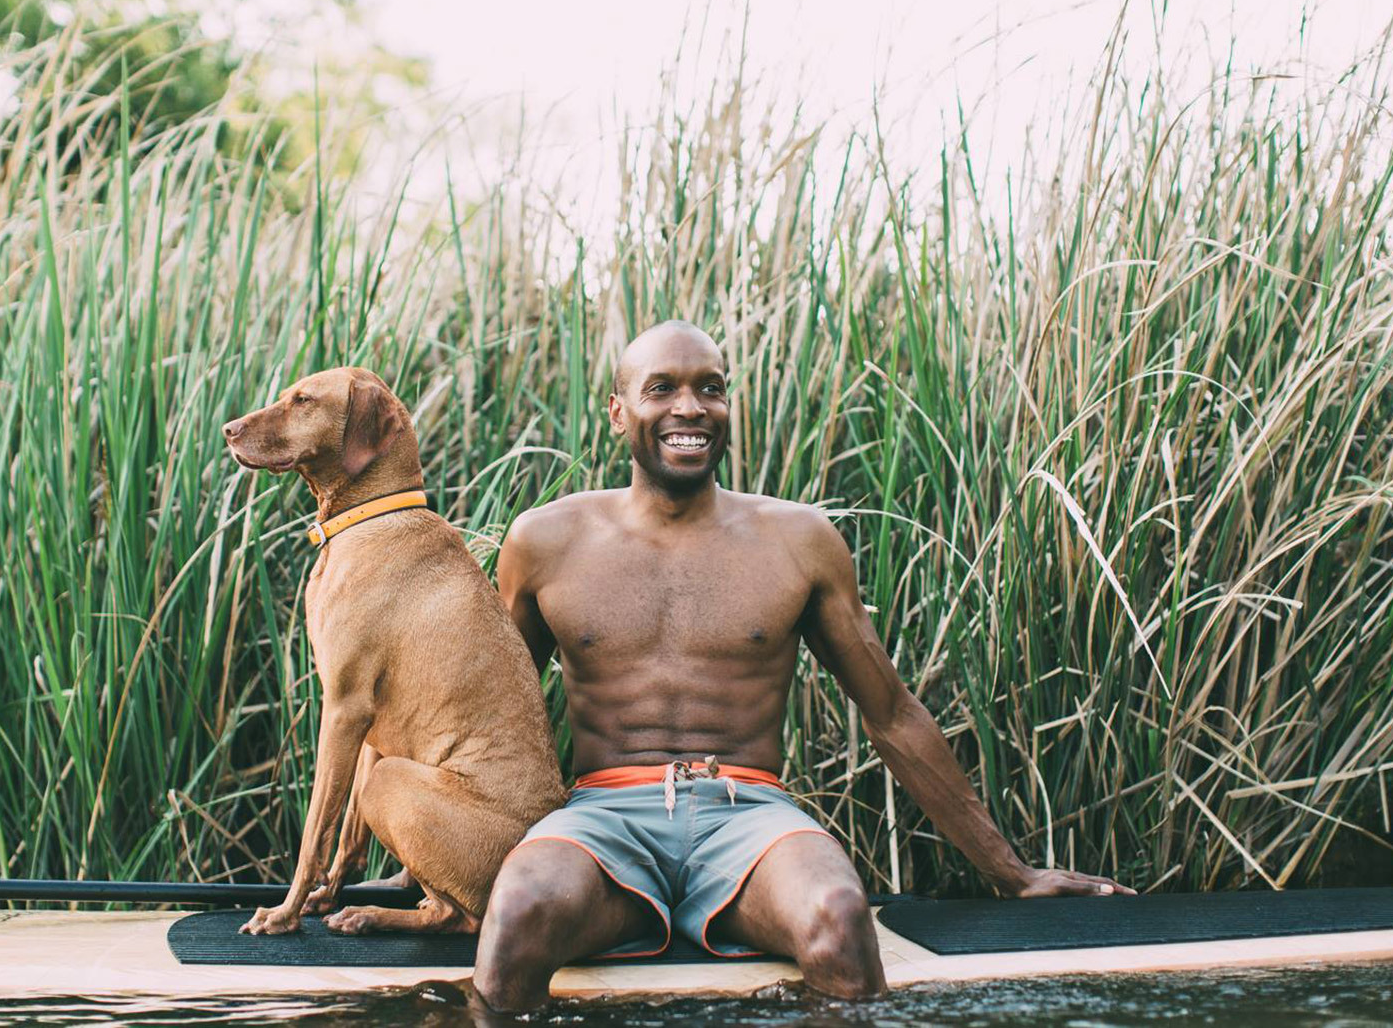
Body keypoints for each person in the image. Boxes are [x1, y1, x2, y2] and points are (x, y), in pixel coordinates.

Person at [471, 320, 1133, 1011]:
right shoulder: (544, 540)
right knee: (516, 916)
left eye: (711, 389)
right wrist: (419, 870)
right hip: (601, 820)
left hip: (748, 817)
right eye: (661, 388)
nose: (690, 408)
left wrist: (1010, 871)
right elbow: (482, 717)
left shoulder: (798, 540)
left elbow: (892, 714)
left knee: (839, 920)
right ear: (617, 411)